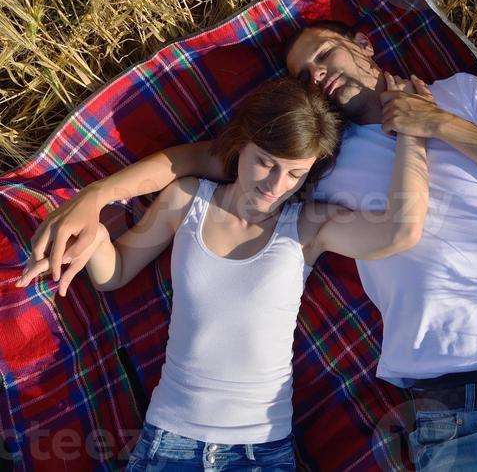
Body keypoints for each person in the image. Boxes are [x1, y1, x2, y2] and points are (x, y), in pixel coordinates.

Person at [20, 22, 477, 469]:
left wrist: (432, 123)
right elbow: (208, 160)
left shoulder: (462, 95)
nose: (317, 75)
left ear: (363, 44)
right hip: (457, 415)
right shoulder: (319, 151)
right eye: (304, 75)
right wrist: (93, 197)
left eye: (322, 53)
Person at [16, 72, 430, 471]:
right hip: (169, 442)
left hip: (260, 453)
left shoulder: (309, 225)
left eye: (295, 173)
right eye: (265, 162)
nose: (275, 184)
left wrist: (412, 131)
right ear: (241, 145)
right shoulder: (187, 199)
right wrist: (91, 232)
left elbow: (400, 230)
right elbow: (116, 272)